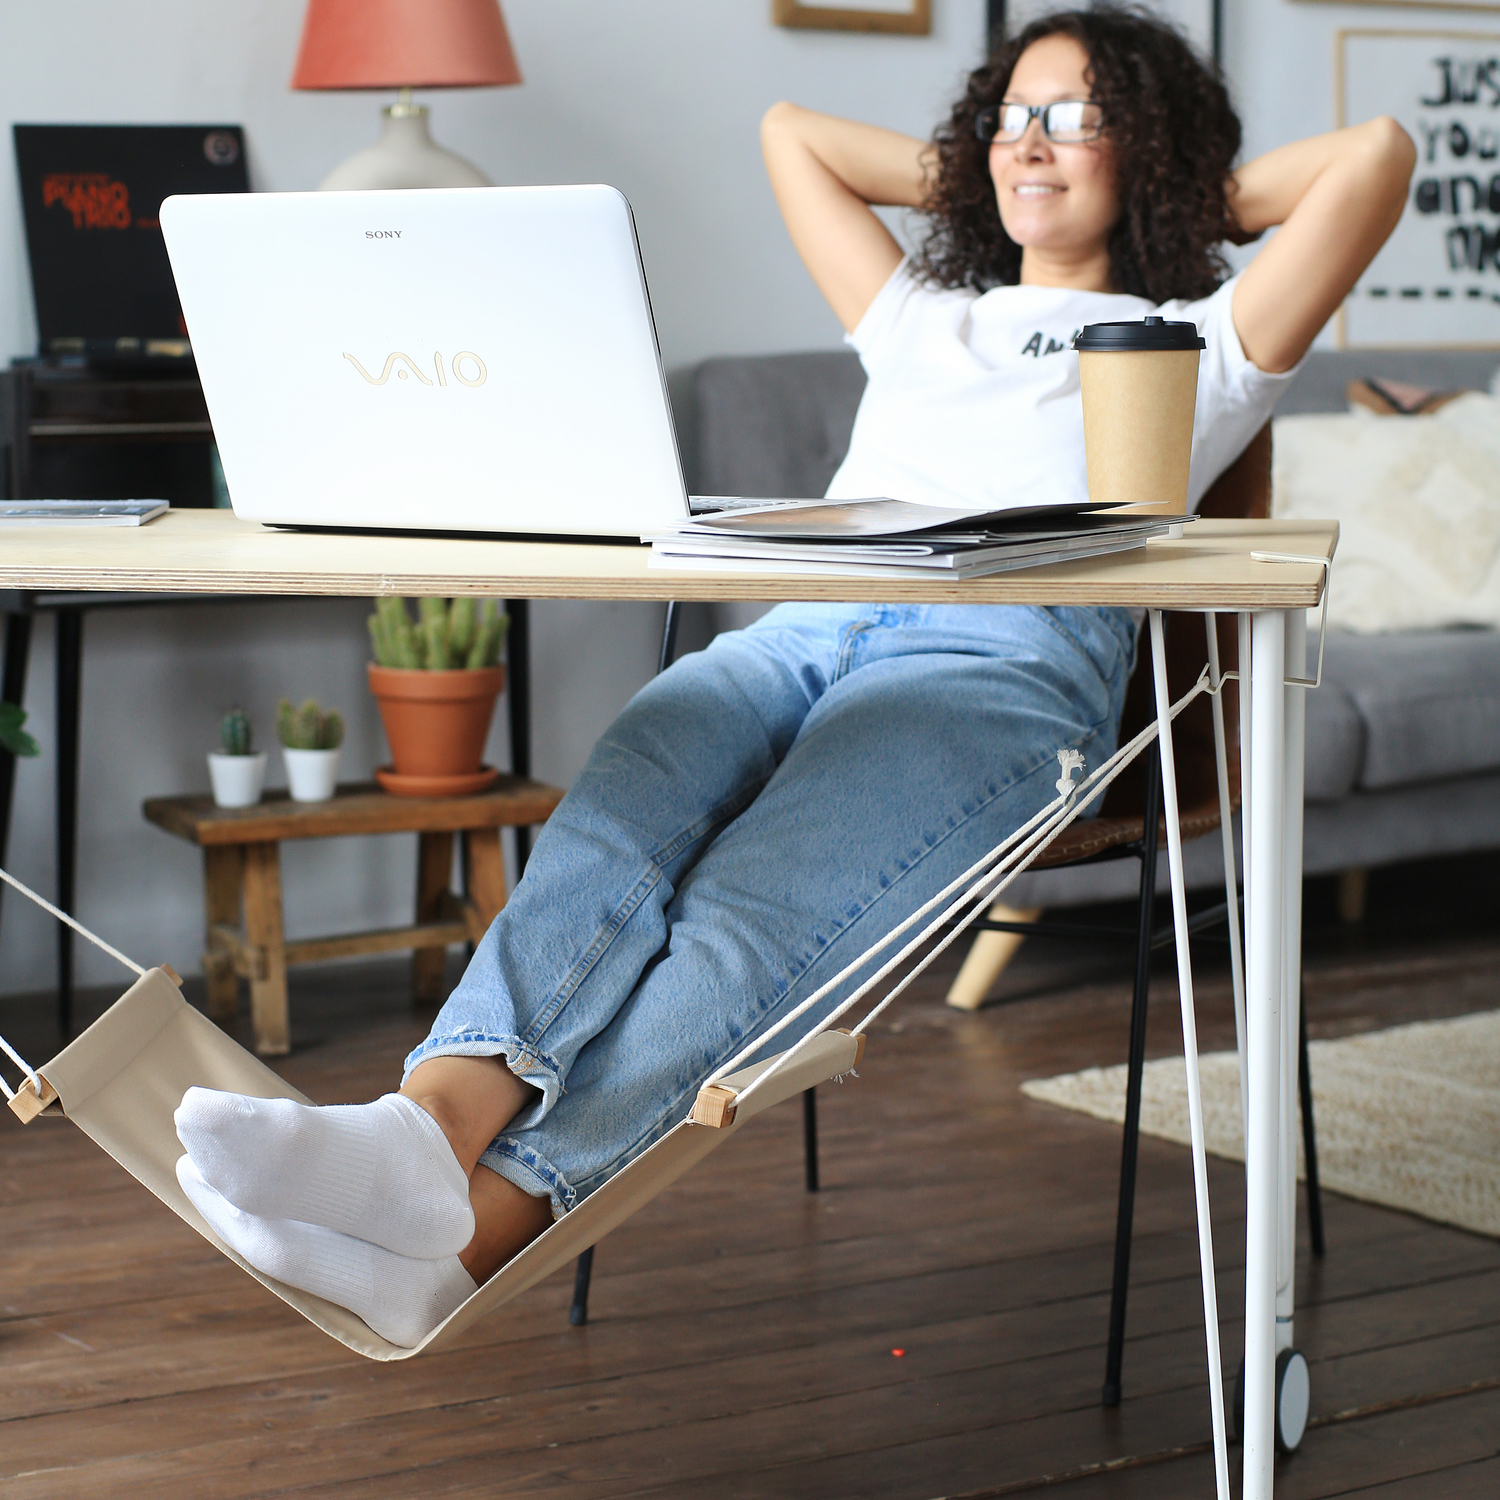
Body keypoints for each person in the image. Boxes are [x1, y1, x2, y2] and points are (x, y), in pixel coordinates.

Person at [172, 7, 1414, 1348]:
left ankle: (471, 1238)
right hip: (811, 620)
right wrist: (1020, 163)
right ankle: (425, 1129)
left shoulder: (1200, 339)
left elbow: (1378, 156)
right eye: (1008, 116)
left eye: (1072, 116)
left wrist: (1161, 176)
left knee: (749, 909)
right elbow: (794, 136)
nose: (1027, 145)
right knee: (633, 788)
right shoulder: (927, 314)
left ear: (1148, 145)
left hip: (1003, 661)